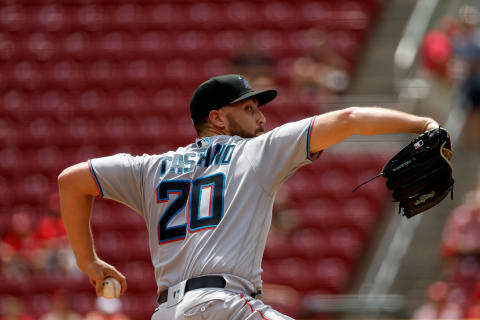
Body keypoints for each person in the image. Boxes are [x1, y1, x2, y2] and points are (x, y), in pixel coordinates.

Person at [58, 74, 440, 319]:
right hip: (222, 306)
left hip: (169, 311)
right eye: (249, 108)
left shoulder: (149, 168)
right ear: (218, 118)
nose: (261, 119)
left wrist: (89, 262)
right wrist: (423, 124)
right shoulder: (254, 152)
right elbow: (349, 119)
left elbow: (71, 180)